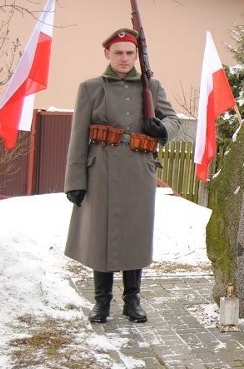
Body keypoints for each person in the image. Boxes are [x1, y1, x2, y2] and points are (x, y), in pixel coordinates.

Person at [65, 28, 180, 324]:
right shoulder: (91, 87)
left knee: (134, 235)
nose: (125, 58)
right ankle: (101, 302)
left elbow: (173, 120)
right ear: (107, 54)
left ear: (137, 56)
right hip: (100, 169)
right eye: (118, 52)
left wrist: (162, 130)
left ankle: (132, 302)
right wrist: (75, 180)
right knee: (100, 236)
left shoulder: (151, 87)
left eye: (130, 53)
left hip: (139, 170)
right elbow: (78, 136)